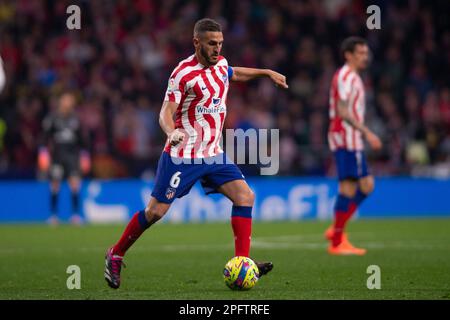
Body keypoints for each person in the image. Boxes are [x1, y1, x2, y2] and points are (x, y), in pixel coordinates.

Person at [104, 18, 289, 289]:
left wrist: (266, 72)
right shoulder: (183, 73)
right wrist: (171, 131)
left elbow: (233, 72)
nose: (217, 49)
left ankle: (242, 262)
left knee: (245, 196)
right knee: (155, 212)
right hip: (183, 155)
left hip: (213, 154)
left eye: (220, 44)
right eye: (212, 44)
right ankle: (116, 253)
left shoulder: (222, 64)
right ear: (197, 43)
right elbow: (165, 112)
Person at [325, 37, 382, 255]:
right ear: (348, 54)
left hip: (351, 138)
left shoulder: (353, 77)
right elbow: (343, 111)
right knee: (348, 187)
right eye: (360, 53)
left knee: (366, 185)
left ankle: (336, 231)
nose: (364, 57)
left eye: (366, 53)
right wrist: (367, 132)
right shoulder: (346, 77)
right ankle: (337, 241)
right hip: (346, 137)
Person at [38, 91, 90, 225]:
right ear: (61, 101)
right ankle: (53, 215)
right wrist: (43, 153)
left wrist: (85, 156)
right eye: (67, 100)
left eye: (71, 101)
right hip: (57, 156)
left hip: (72, 157)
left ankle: (75, 215)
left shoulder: (75, 119)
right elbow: (44, 137)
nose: (69, 103)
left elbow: (82, 140)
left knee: (75, 184)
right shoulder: (52, 118)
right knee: (55, 185)